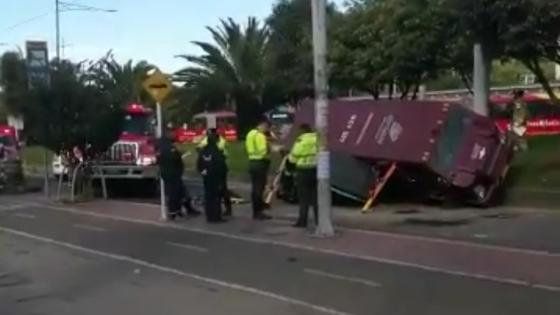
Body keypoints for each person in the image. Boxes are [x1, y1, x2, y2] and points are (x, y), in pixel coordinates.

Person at [158, 127, 199, 220]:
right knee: (174, 193)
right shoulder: (166, 146)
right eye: (172, 132)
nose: (174, 134)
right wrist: (180, 155)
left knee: (181, 191)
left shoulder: (167, 144)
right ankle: (173, 212)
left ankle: (185, 209)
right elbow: (171, 157)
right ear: (167, 133)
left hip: (173, 172)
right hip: (171, 173)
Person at [197, 129, 232, 216]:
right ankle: (214, 209)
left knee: (222, 189)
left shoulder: (221, 141)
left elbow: (221, 152)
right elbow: (201, 146)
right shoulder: (208, 139)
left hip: (220, 167)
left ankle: (226, 208)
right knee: (215, 190)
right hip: (212, 168)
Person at [288, 124, 318, 228]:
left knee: (304, 198)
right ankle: (319, 220)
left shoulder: (300, 140)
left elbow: (293, 157)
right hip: (315, 169)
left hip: (303, 170)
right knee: (316, 198)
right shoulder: (317, 139)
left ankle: (302, 221)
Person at [245, 119, 273, 220]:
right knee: (259, 189)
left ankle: (256, 210)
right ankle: (258, 212)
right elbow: (264, 151)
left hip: (252, 162)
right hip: (260, 163)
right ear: (263, 125)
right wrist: (269, 147)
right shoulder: (261, 136)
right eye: (267, 127)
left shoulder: (250, 134)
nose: (267, 129)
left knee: (255, 188)